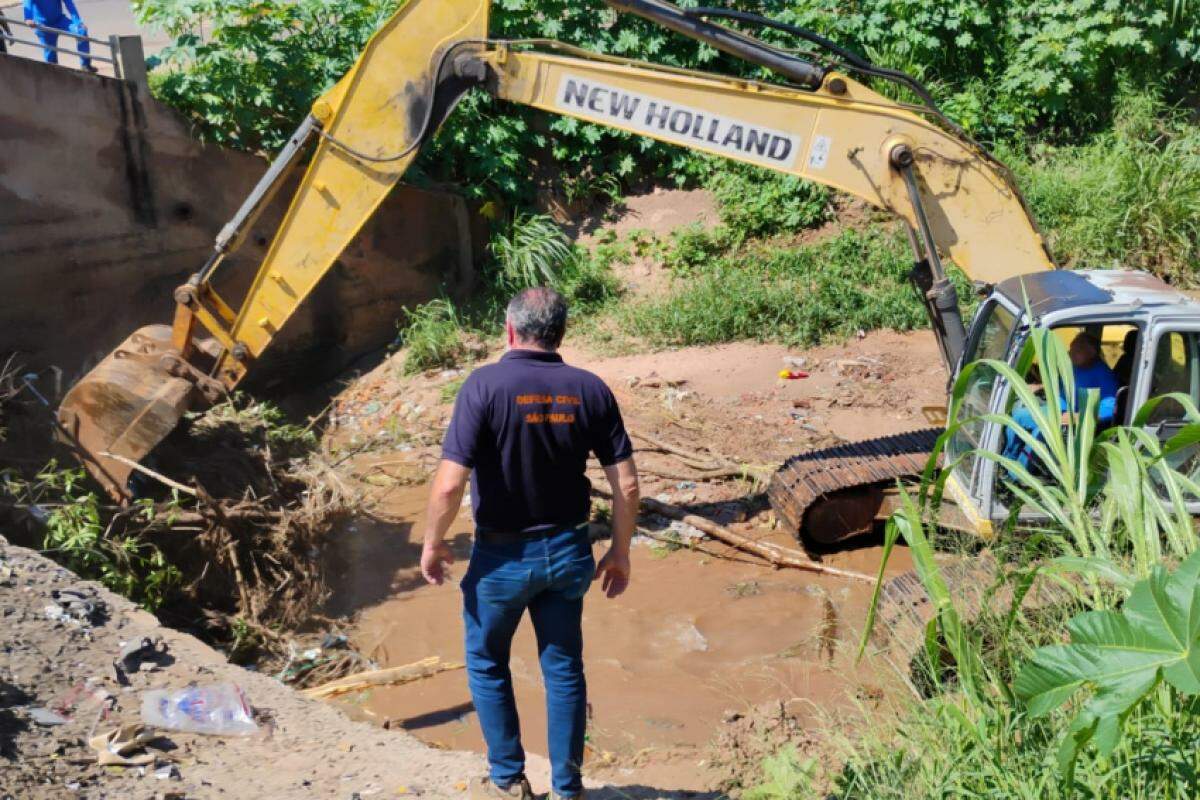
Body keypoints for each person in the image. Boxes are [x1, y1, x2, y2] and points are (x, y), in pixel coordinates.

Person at [420, 287, 640, 800]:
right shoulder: (590, 389)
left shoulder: (484, 385)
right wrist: (621, 551)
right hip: (568, 553)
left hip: (500, 557)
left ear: (510, 329)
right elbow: (626, 485)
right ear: (560, 332)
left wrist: (432, 543)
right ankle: (567, 788)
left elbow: (450, 484)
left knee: (487, 661)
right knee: (563, 669)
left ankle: (508, 779)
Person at [1003, 331, 1120, 471]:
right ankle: (1007, 460)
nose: (1070, 353)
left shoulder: (1104, 375)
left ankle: (1016, 475)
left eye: (1076, 350)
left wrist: (1079, 417)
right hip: (1057, 409)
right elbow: (1061, 384)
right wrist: (1040, 386)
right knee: (1018, 417)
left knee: (1040, 433)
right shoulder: (1075, 365)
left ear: (1092, 353)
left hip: (1072, 419)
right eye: (1071, 348)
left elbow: (1111, 406)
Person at [23, 0, 96, 72]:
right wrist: (28, 18)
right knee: (51, 57)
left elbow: (69, 4)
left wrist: (78, 22)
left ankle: (85, 65)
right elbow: (27, 3)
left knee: (81, 32)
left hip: (60, 20)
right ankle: (54, 74)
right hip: (43, 25)